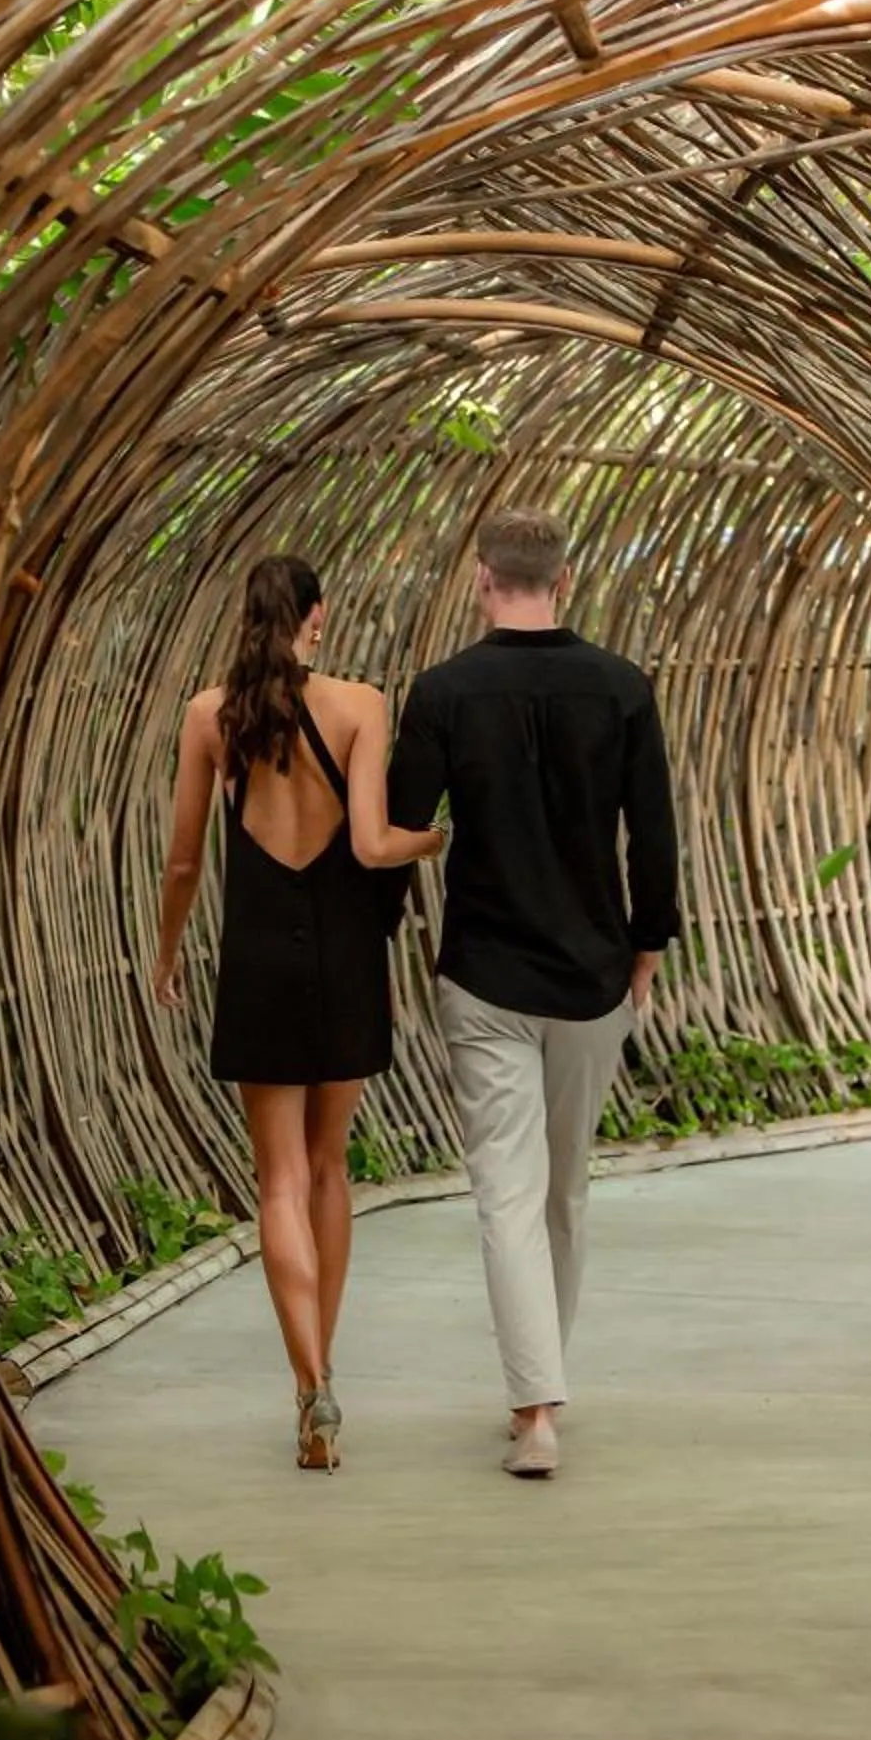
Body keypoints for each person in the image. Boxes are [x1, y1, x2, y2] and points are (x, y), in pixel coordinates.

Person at [387, 507, 680, 1480]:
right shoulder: (623, 687)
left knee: (505, 1194)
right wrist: (646, 945)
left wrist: (384, 928)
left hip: (483, 972)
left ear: (482, 579)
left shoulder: (442, 691)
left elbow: (398, 825)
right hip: (594, 974)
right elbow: (655, 831)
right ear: (566, 577)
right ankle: (543, 1387)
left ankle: (535, 1408)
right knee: (564, 1189)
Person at [151, 553, 442, 1473]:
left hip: (256, 955)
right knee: (327, 1168)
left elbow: (185, 861)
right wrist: (438, 838)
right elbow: (371, 842)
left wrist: (166, 950)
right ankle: (322, 1375)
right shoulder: (361, 704)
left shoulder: (209, 717)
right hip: (347, 950)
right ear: (318, 616)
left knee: (275, 1179)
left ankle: (309, 1383)